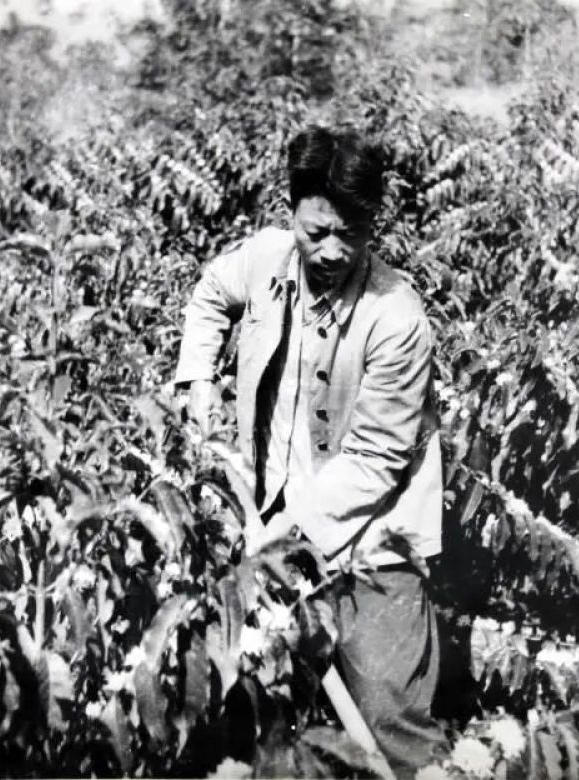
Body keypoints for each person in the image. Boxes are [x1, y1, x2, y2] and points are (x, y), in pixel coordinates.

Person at [174, 125, 447, 778]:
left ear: (373, 223)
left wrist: (281, 536)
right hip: (274, 517)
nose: (331, 250)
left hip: (375, 537)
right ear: (290, 211)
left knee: (388, 717)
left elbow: (375, 463)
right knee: (257, 710)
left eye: (349, 233)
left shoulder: (397, 319)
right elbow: (211, 295)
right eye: (316, 230)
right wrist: (197, 383)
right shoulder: (265, 260)